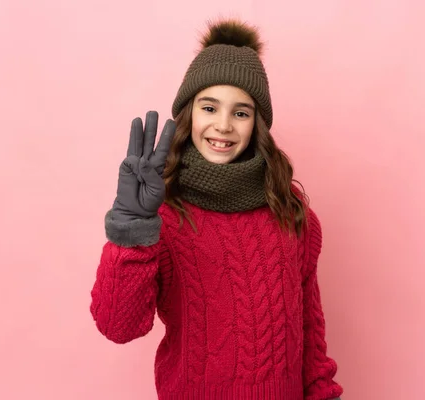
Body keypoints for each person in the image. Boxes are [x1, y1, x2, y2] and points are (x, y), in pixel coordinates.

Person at [89, 18, 343, 400]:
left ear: (257, 123)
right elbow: (118, 326)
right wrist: (131, 228)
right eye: (210, 108)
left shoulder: (290, 213)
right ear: (190, 114)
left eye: (241, 113)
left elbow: (309, 328)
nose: (223, 125)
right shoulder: (161, 218)